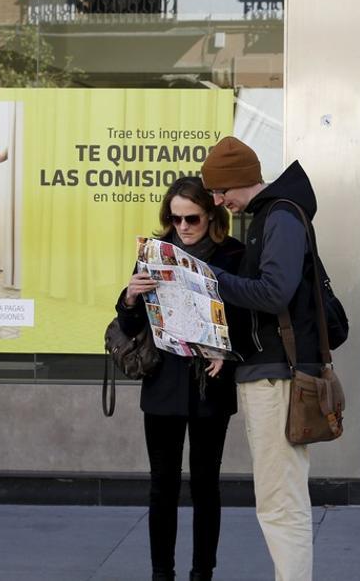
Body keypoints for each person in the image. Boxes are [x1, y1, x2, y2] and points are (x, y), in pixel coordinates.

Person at [199, 136, 322, 581]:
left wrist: (210, 278)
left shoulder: (280, 216)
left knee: (279, 501)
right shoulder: (271, 215)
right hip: (268, 372)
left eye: (218, 192)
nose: (217, 201)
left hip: (277, 377)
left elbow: (273, 293)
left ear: (238, 181)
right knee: (278, 498)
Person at [114, 176, 247, 581]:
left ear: (212, 216)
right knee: (162, 485)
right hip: (163, 382)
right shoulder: (155, 253)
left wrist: (227, 349)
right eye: (175, 219)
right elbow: (131, 323)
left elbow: (247, 316)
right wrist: (131, 296)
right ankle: (161, 573)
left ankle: (202, 572)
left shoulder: (233, 255)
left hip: (210, 383)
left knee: (206, 486)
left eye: (192, 219)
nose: (184, 227)